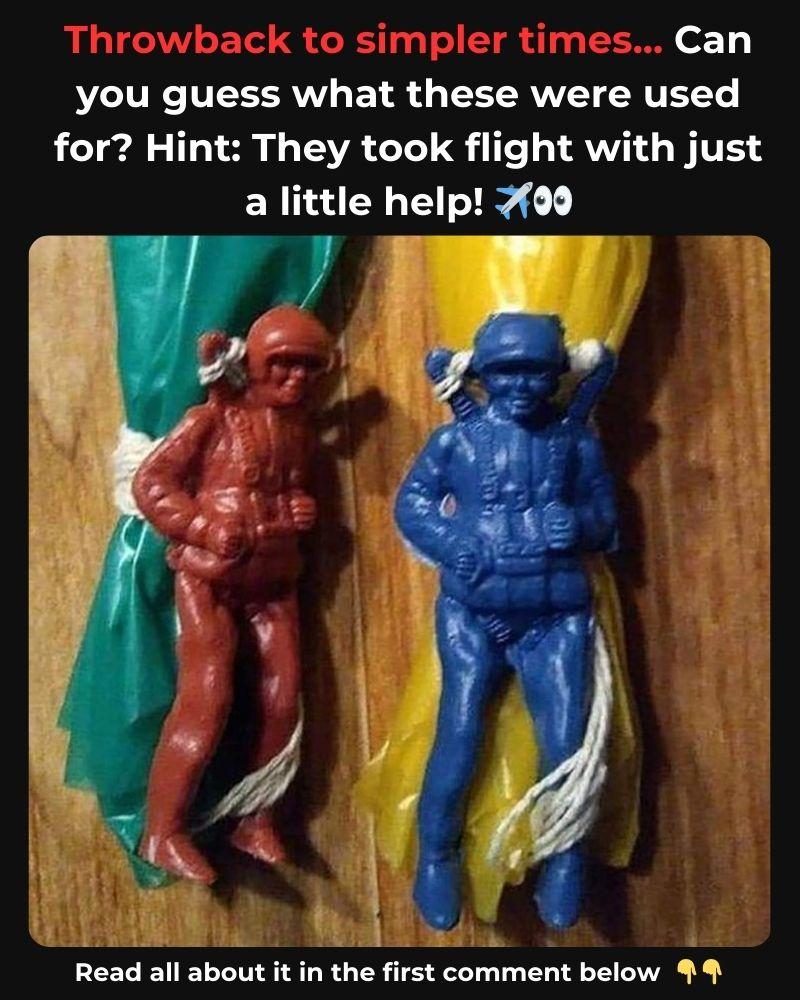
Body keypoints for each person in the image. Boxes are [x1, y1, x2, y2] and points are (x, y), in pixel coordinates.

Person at [395, 312, 618, 930]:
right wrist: (450, 542)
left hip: (555, 614)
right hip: (474, 610)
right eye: (507, 372)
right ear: (485, 375)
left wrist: (580, 524)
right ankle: (437, 853)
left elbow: (606, 515)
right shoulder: (456, 442)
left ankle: (565, 855)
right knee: (460, 730)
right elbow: (412, 503)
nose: (521, 385)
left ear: (557, 375)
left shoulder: (575, 443)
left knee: (566, 741)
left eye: (536, 373)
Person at [132, 304, 334, 883]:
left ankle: (255, 816)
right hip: (210, 580)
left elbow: (288, 491)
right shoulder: (212, 419)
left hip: (274, 582)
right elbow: (152, 483)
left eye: (308, 368)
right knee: (208, 698)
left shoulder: (299, 432)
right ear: (256, 362)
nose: (295, 378)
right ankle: (162, 830)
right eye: (283, 364)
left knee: (284, 699)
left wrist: (299, 510)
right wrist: (200, 526)